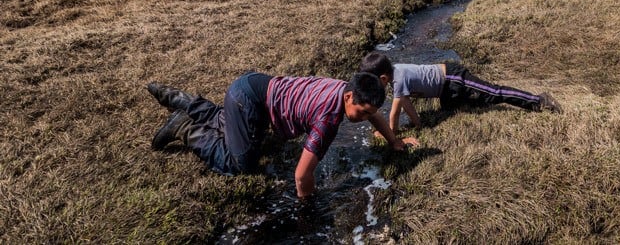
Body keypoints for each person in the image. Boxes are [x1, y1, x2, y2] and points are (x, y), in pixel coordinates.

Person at [146, 71, 418, 199]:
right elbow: (302, 176)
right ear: (349, 96)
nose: (364, 118)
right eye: (361, 112)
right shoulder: (328, 120)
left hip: (254, 85)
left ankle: (177, 99)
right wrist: (307, 205)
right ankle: (185, 128)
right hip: (248, 101)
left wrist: (394, 140)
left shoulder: (343, 87)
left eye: (368, 114)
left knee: (230, 123)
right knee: (241, 163)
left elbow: (376, 114)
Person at [359, 52, 562, 134]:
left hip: (453, 78)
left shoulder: (399, 79)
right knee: (467, 107)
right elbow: (406, 104)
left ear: (383, 79)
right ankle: (476, 101)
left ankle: (539, 101)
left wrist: (390, 133)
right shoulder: (396, 73)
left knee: (493, 92)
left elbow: (395, 112)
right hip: (445, 92)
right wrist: (418, 124)